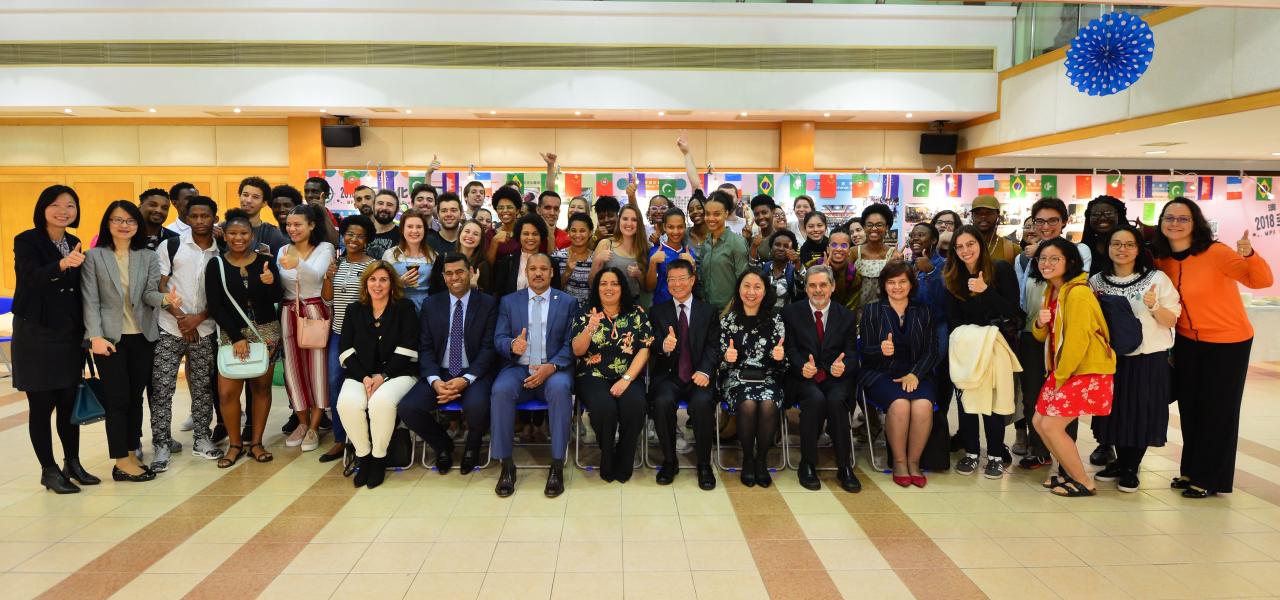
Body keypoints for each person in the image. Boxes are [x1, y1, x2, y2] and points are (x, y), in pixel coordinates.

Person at [1153, 198, 1273, 498]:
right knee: (1190, 407)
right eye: (1169, 217)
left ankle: (1210, 478)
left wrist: (1250, 255)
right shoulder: (1162, 260)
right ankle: (1192, 470)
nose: (1175, 223)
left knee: (1218, 411)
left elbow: (1260, 281)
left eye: (1183, 218)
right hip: (1187, 341)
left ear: (1196, 223)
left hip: (1228, 342)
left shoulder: (1216, 252)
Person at [84, 200, 177, 483]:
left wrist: (165, 299)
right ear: (108, 223)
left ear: (138, 225)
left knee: (135, 398)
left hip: (142, 337)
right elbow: (90, 301)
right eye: (118, 220)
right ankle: (120, 460)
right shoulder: (94, 256)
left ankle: (130, 452)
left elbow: (149, 294)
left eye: (130, 221)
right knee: (117, 400)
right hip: (109, 339)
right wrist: (94, 337)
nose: (124, 225)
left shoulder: (147, 256)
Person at [13, 185, 98, 493]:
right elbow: (30, 277)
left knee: (68, 402)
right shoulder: (26, 240)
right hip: (36, 333)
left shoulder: (73, 241)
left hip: (68, 334)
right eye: (56, 205)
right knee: (41, 405)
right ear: (43, 208)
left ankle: (72, 463)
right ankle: (48, 470)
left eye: (70, 205)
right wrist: (62, 264)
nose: (64, 211)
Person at [1088, 224, 1179, 492]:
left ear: (1139, 249)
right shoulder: (1096, 282)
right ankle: (1121, 462)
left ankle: (1131, 467)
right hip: (1111, 359)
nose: (1122, 249)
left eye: (1129, 244)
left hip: (1148, 358)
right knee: (1115, 412)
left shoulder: (1156, 279)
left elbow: (1171, 320)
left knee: (1142, 412)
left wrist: (1154, 306)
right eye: (1116, 244)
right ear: (1107, 248)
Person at [1015, 197, 1098, 469]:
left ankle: (1066, 458)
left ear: (1064, 222)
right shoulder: (1025, 258)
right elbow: (1023, 298)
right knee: (1032, 395)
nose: (1046, 226)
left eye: (1053, 220)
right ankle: (1039, 449)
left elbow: (1077, 278)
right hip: (1033, 333)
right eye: (1040, 221)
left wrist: (1042, 251)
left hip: (1064, 336)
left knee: (1064, 398)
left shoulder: (1078, 251)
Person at [1030, 239, 1115, 497]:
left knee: (1051, 426)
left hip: (1085, 369)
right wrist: (1039, 323)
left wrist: (1061, 377)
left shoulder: (1078, 293)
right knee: (1039, 421)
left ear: (1070, 262)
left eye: (1054, 258)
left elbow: (1078, 341)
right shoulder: (1052, 290)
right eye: (1043, 258)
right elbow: (1043, 336)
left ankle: (1083, 482)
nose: (1046, 263)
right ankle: (1068, 472)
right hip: (1063, 369)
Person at [399, 253, 498, 475]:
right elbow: (425, 347)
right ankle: (442, 444)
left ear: (470, 272)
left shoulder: (488, 303)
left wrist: (466, 379)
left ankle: (472, 447)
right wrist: (435, 381)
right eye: (449, 273)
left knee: (478, 406)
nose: (455, 277)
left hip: (474, 373)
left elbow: (488, 348)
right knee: (408, 408)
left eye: (460, 271)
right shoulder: (431, 304)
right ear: (443, 277)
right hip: (440, 372)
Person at [492, 253, 578, 498]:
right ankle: (506, 465)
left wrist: (552, 366)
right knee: (500, 390)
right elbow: (498, 338)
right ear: (526, 272)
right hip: (518, 368)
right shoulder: (509, 301)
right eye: (533, 269)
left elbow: (571, 342)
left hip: (553, 370)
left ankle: (557, 465)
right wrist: (512, 345)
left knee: (560, 390)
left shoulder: (568, 302)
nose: (538, 273)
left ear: (552, 272)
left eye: (543, 269)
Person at [150, 195, 223, 471]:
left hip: (205, 329)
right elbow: (160, 287)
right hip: (170, 327)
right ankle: (161, 443)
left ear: (215, 218)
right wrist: (182, 319)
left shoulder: (221, 251)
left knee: (203, 387)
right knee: (162, 387)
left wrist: (197, 319)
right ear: (187, 218)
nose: (200, 221)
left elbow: (223, 295)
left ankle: (202, 438)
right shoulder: (171, 246)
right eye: (195, 216)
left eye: (206, 216)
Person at [205, 208, 283, 467]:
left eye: (244, 233)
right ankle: (235, 445)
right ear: (224, 235)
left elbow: (276, 297)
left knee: (261, 388)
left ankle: (257, 442)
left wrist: (271, 282)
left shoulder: (266, 261)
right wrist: (237, 336)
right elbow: (215, 306)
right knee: (228, 393)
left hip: (265, 330)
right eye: (233, 233)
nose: (238, 238)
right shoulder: (216, 264)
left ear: (252, 235)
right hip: (231, 332)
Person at [944, 225, 1023, 478]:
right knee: (966, 402)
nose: (965, 250)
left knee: (993, 403)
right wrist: (966, 338)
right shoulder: (952, 276)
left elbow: (1013, 311)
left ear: (980, 244)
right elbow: (952, 318)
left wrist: (985, 291)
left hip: (995, 346)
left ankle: (996, 455)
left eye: (970, 244)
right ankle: (971, 452)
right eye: (959, 246)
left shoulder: (1000, 269)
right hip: (967, 348)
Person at [336, 261, 421, 489]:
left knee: (380, 402)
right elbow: (345, 348)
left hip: (398, 373)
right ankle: (363, 456)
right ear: (366, 284)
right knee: (347, 404)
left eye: (383, 279)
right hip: (361, 374)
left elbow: (408, 348)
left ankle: (379, 458)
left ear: (392, 283)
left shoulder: (405, 308)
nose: (378, 285)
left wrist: (382, 376)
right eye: (373, 279)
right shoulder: (354, 310)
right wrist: (365, 378)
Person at [858, 261, 939, 488]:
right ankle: (899, 462)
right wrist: (880, 349)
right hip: (880, 372)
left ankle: (914, 462)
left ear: (911, 284)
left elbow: (932, 350)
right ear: (883, 285)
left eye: (902, 281)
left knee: (922, 405)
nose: (897, 287)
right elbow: (864, 351)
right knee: (900, 404)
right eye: (891, 282)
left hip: (917, 373)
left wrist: (915, 374)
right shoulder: (872, 311)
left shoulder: (923, 311)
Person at [571, 268, 653, 483]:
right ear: (597, 288)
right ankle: (607, 455)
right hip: (592, 374)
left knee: (635, 405)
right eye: (603, 283)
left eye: (614, 283)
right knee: (604, 408)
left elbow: (645, 348)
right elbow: (577, 351)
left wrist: (626, 379)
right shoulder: (585, 312)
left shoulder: (636, 313)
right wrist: (589, 329)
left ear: (622, 287)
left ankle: (625, 458)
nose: (609, 288)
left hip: (628, 374)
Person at [783, 265, 860, 492]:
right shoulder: (791, 313)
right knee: (815, 400)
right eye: (812, 285)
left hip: (835, 376)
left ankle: (844, 466)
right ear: (806, 288)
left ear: (833, 287)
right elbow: (789, 349)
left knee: (836, 401)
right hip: (804, 377)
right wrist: (801, 366)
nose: (818, 290)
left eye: (823, 285)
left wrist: (843, 366)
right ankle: (807, 464)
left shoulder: (846, 316)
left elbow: (852, 354)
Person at [648, 259, 720, 489]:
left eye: (682, 279)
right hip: (669, 375)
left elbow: (713, 346)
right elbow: (651, 345)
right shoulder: (657, 311)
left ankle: (704, 464)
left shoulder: (708, 311)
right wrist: (663, 346)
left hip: (699, 375)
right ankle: (670, 461)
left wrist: (705, 370)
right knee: (661, 402)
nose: (677, 284)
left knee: (702, 403)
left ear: (692, 280)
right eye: (671, 280)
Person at [316, 215, 376, 463]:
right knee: (335, 382)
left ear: (367, 240)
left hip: (365, 336)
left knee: (365, 385)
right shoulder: (336, 264)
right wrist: (328, 277)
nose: (354, 239)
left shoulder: (373, 266)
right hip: (338, 333)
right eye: (350, 234)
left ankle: (366, 437)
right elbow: (327, 299)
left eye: (360, 236)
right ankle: (340, 439)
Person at [721, 269, 789, 488]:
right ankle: (748, 459)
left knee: (768, 403)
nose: (751, 292)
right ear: (739, 289)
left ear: (765, 291)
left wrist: (780, 357)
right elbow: (718, 365)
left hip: (768, 378)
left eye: (757, 287)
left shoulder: (776, 320)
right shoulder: (727, 321)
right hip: (737, 378)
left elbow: (785, 365)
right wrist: (726, 358)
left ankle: (761, 460)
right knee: (748, 403)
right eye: (746, 286)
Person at [278, 204, 336, 452]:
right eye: (289, 225)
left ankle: (314, 425)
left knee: (317, 369)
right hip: (288, 311)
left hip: (315, 311)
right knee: (292, 369)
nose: (292, 229)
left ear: (311, 225)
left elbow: (315, 277)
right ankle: (301, 422)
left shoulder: (325, 248)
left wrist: (297, 263)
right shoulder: (282, 250)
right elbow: (281, 283)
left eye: (298, 224)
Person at [696, 190, 750, 312]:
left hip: (730, 312)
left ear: (726, 213)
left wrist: (726, 313)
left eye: (716, 214)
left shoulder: (737, 243)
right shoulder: (707, 243)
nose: (711, 218)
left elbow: (743, 283)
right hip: (707, 310)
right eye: (707, 214)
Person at [592, 204, 650, 307]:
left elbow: (647, 288)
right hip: (606, 305)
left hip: (633, 306)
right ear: (619, 221)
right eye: (625, 219)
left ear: (639, 223)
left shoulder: (645, 248)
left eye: (634, 220)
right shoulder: (606, 244)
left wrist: (639, 275)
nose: (629, 223)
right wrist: (597, 261)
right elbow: (591, 283)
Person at [851, 203, 899, 322]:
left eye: (879, 225)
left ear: (887, 227)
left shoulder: (894, 254)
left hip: (885, 313)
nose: (874, 228)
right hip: (857, 312)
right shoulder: (854, 252)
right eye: (869, 225)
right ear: (864, 227)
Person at [495, 214, 562, 297]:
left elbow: (556, 294)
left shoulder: (552, 263)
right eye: (526, 234)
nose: (530, 238)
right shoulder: (508, 261)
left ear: (541, 236)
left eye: (535, 234)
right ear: (519, 236)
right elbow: (500, 294)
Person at [384, 210, 436, 309]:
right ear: (402, 229)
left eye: (419, 227)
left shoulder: (433, 255)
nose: (414, 231)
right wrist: (398, 283)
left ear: (425, 230)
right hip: (397, 306)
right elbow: (381, 284)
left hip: (426, 307)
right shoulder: (390, 255)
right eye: (410, 226)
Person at [646, 208, 697, 307]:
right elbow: (649, 287)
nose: (675, 231)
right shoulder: (656, 251)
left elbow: (694, 285)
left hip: (684, 308)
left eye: (680, 227)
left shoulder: (689, 253)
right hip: (661, 306)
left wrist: (693, 265)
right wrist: (652, 262)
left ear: (685, 227)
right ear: (664, 227)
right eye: (671, 227)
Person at [229, 177, 290, 256]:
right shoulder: (223, 229)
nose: (248, 200)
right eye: (245, 195)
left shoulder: (274, 235)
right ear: (240, 196)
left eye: (255, 197)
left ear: (264, 203)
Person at [553, 212, 595, 308]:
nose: (577, 235)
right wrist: (567, 272)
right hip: (563, 310)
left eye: (582, 231)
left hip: (589, 313)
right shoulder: (557, 257)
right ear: (568, 231)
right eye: (573, 230)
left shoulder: (596, 258)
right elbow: (553, 291)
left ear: (590, 232)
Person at [814, 228, 860, 312]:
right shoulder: (814, 265)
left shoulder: (854, 274)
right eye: (834, 245)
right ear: (828, 249)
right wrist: (821, 274)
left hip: (842, 315)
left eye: (844, 246)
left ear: (849, 251)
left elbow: (851, 306)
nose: (838, 249)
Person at [1082, 195, 1127, 275]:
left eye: (1108, 214)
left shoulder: (1133, 247)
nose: (1102, 218)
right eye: (1096, 215)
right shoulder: (1081, 251)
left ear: (1119, 216)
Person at [760, 230, 805, 308]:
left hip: (787, 314)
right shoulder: (762, 267)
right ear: (771, 247)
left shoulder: (795, 270)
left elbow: (802, 290)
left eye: (786, 246)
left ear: (793, 251)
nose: (781, 249)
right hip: (763, 314)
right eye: (777, 245)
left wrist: (797, 262)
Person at [969, 195, 1019, 264]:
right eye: (978, 213)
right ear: (972, 216)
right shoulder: (962, 247)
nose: (983, 217)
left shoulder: (1012, 249)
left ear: (998, 216)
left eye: (989, 213)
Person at [486, 186, 523, 265]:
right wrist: (495, 241)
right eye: (501, 208)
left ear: (517, 210)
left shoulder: (525, 233)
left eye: (509, 207)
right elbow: (488, 265)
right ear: (496, 210)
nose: (505, 211)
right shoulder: (490, 234)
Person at [366, 189, 401, 259]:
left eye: (390, 205)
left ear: (397, 210)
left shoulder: (403, 235)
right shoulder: (362, 232)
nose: (384, 208)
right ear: (373, 207)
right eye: (380, 203)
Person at [746, 194, 778, 261]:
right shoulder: (751, 239)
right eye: (756, 214)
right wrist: (746, 240)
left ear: (773, 212)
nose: (760, 217)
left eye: (764, 212)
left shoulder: (779, 238)